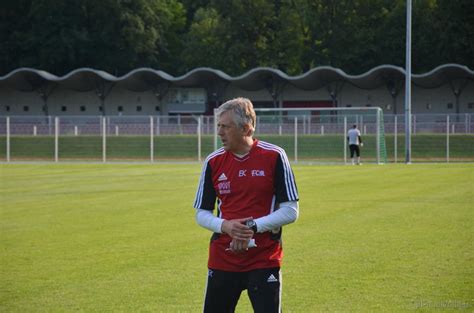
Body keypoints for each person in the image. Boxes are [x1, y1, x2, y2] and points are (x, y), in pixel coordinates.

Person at [193, 97, 299, 313]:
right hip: (223, 257)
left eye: (226, 127)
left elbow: (290, 211)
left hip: (264, 258)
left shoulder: (274, 156)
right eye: (218, 126)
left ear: (246, 128)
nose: (219, 132)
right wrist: (227, 226)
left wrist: (250, 227)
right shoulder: (213, 161)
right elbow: (201, 213)